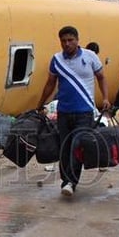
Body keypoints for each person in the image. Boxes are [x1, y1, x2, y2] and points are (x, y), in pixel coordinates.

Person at [36, 25, 109, 197]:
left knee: (77, 144)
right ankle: (66, 180)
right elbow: (50, 84)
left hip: (84, 111)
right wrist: (40, 104)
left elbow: (102, 77)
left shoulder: (90, 57)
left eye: (70, 40)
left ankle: (71, 182)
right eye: (63, 41)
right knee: (65, 146)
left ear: (77, 40)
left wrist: (105, 98)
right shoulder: (56, 60)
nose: (67, 44)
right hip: (64, 111)